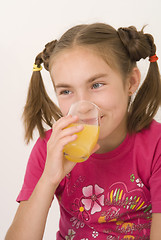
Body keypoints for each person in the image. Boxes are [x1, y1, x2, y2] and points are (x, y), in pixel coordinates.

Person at [5, 23, 161, 240]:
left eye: (96, 85)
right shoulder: (51, 149)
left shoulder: (156, 145)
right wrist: (49, 179)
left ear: (131, 82)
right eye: (66, 91)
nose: (83, 104)